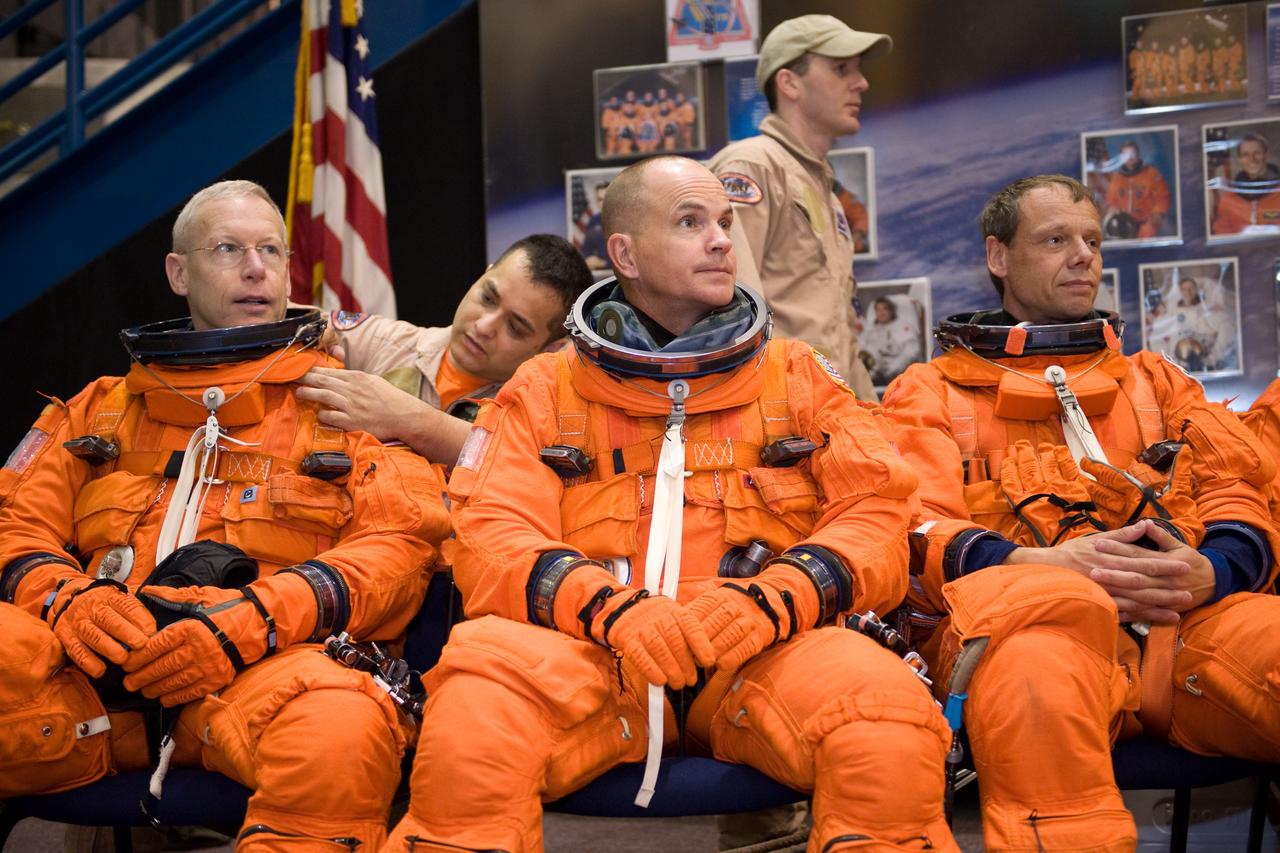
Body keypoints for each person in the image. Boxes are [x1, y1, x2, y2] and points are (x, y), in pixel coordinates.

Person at [382, 155, 958, 852]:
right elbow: (491, 534)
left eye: (724, 222)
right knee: (473, 713)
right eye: (692, 222)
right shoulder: (542, 390)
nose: (721, 240)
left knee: (887, 722)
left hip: (766, 648)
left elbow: (876, 514)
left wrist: (774, 598)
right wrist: (607, 608)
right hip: (591, 652)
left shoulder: (797, 377)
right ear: (624, 252)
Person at [0, 180, 451, 849]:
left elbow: (401, 546)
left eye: (271, 250)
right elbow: (15, 523)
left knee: (342, 726)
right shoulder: (96, 410)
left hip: (265, 668)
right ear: (178, 273)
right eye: (229, 249)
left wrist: (258, 618)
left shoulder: (344, 405)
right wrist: (64, 598)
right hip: (91, 674)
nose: (255, 267)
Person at [880, 174, 1280, 851]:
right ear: (998, 257)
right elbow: (911, 530)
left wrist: (1215, 568)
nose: (1083, 255)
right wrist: (1035, 563)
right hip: (1031, 633)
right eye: (1056, 239)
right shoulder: (931, 393)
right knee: (1033, 690)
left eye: (1092, 240)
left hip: (1191, 621)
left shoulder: (1154, 381)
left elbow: (1236, 483)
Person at [708, 14, 890, 403]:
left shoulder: (818, 184)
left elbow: (839, 329)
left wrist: (870, 419)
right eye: (842, 69)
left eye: (857, 70)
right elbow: (737, 312)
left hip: (827, 416)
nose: (861, 83)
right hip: (782, 422)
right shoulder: (752, 167)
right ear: (789, 83)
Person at [295, 234, 592, 465]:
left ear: (551, 348)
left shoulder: (545, 414)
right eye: (488, 297)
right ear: (481, 277)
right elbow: (282, 317)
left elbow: (510, 456)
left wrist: (405, 418)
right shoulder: (391, 344)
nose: (485, 326)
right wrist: (306, 328)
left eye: (515, 327)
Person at [1210, 132, 1280, 235]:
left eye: (1257, 153)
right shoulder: (1229, 201)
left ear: (1266, 155)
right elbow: (1221, 240)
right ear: (1240, 159)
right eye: (1245, 154)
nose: (1252, 159)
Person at [1102, 139, 1171, 240]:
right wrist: (1112, 208)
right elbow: (1111, 198)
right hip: (1123, 221)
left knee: (1167, 230)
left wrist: (1158, 213)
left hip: (1148, 220)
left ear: (1138, 154)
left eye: (1132, 153)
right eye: (1126, 154)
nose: (1130, 157)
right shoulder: (1117, 177)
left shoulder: (1152, 174)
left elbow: (1163, 196)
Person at [860, 295, 922, 386]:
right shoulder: (871, 332)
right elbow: (868, 352)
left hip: (901, 371)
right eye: (878, 310)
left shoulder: (904, 327)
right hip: (878, 374)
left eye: (885, 309)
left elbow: (911, 351)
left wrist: (894, 367)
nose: (881, 313)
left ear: (891, 311)